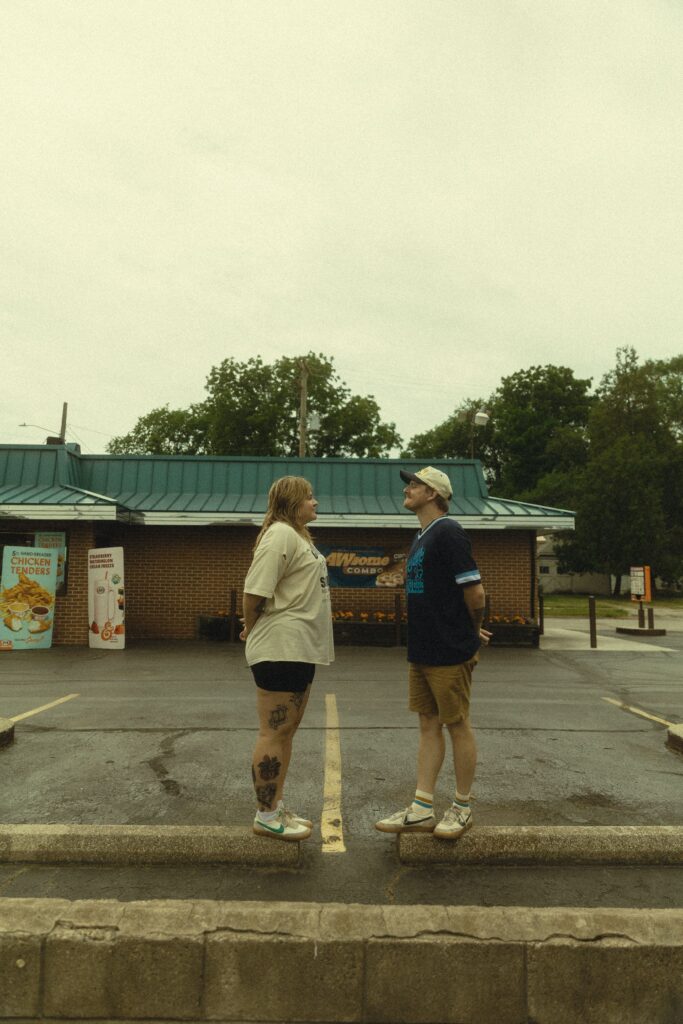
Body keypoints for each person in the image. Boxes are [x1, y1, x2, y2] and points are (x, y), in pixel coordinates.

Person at [375, 466, 491, 840]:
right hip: (422, 648)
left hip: (449, 649)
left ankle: (462, 807)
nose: (407, 489)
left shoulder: (449, 531)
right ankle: (422, 809)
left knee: (457, 724)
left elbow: (475, 592)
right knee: (428, 724)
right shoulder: (422, 536)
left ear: (433, 494)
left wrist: (471, 632)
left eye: (415, 484)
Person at [241, 476, 334, 841]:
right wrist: (250, 628)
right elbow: (254, 592)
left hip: (299, 647)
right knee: (274, 731)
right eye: (309, 497)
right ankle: (265, 814)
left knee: (286, 732)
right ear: (293, 503)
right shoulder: (279, 534)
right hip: (280, 646)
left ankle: (276, 806)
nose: (316, 503)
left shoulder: (296, 538)